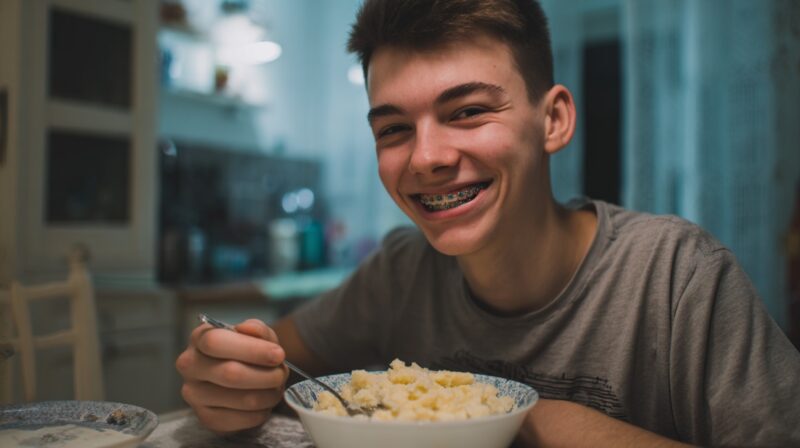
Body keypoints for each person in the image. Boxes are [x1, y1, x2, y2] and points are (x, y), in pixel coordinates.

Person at [175, 0, 800, 446]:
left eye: (468, 111)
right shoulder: (402, 270)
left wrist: (534, 419)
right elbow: (276, 360)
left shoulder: (677, 278)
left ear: (552, 120)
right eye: (393, 129)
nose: (425, 158)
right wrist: (233, 380)